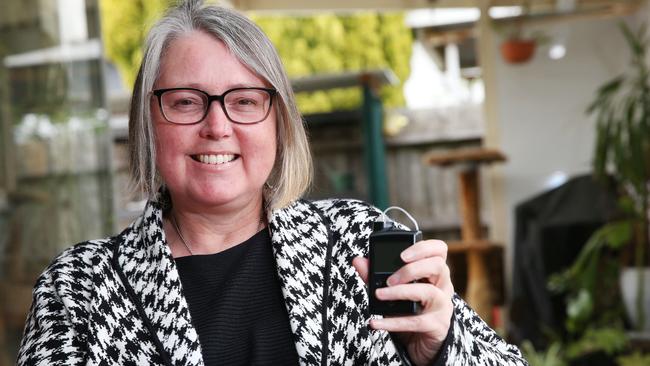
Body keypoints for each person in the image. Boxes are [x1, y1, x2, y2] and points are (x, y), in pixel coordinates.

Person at [17, 1, 528, 365]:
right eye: (186, 101)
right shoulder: (77, 289)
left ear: (279, 123)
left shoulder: (354, 241)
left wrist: (440, 348)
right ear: (147, 123)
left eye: (244, 101)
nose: (217, 126)